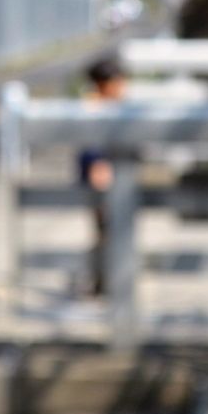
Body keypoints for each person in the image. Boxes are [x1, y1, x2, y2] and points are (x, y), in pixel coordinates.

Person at [77, 56, 129, 295]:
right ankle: (103, 281)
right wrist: (99, 168)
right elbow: (92, 146)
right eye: (118, 82)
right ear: (105, 83)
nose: (123, 88)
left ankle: (105, 280)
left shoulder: (105, 104)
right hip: (101, 175)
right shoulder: (95, 106)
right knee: (105, 230)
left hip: (109, 173)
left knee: (107, 230)